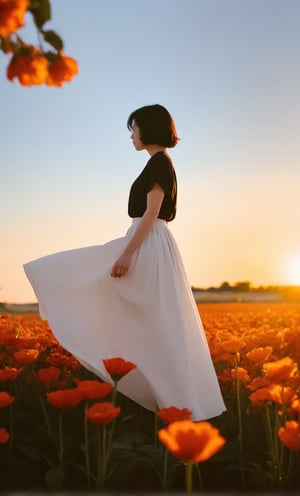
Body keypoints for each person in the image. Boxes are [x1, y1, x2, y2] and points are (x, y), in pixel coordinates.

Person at [24, 104, 225, 420]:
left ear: (148, 129)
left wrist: (129, 253)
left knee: (149, 316)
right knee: (148, 317)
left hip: (148, 241)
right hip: (148, 239)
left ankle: (173, 401)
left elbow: (152, 211)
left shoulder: (159, 163)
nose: (132, 135)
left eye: (134, 129)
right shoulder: (158, 163)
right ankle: (167, 398)